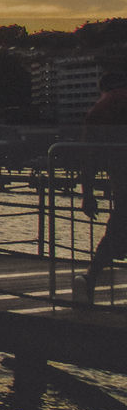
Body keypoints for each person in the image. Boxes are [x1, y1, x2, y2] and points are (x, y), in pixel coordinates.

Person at [74, 69, 127, 303]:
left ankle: (90, 278)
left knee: (117, 229)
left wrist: (88, 195)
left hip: (122, 178)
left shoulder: (100, 110)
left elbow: (89, 158)